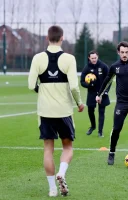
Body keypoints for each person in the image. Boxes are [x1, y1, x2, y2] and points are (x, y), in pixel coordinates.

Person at [28, 25, 84, 197]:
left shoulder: (38, 58)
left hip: (45, 111)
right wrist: (80, 103)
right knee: (67, 147)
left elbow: (31, 85)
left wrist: (43, 91)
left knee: (48, 149)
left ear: (47, 38)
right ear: (62, 38)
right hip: (64, 111)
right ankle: (62, 172)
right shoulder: (69, 58)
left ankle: (52, 189)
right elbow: (74, 86)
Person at [80, 50, 110, 137]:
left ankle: (100, 131)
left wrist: (106, 91)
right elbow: (82, 81)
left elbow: (109, 80)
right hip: (92, 93)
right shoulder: (87, 68)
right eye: (92, 58)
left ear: (98, 57)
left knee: (101, 111)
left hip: (102, 93)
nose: (94, 59)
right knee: (90, 110)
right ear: (89, 58)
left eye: (95, 58)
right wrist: (89, 85)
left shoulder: (103, 66)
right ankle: (93, 126)